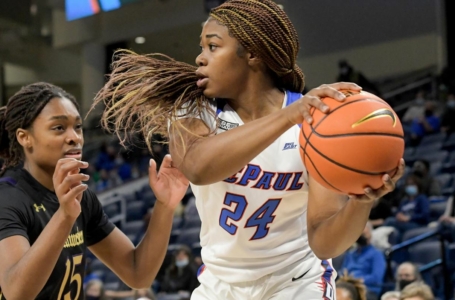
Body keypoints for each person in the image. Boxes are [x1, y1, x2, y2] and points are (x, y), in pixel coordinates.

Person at [92, 1, 404, 299]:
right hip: (220, 285)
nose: (200, 58)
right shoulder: (193, 112)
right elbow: (199, 169)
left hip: (295, 281)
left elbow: (324, 244)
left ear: (252, 54)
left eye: (212, 46)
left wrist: (361, 203)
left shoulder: (313, 125)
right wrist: (287, 117)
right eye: (202, 47)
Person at [0, 82, 189, 299]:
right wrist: (64, 216)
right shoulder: (7, 198)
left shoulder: (82, 196)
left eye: (77, 127)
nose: (75, 137)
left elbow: (138, 273)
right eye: (59, 127)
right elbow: (17, 293)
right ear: (24, 137)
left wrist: (164, 206)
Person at [340, 222, 386, 300]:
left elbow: (376, 278)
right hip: (348, 286)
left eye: (364, 234)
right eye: (359, 235)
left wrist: (356, 281)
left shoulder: (376, 254)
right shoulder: (350, 254)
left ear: (370, 235)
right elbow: (342, 272)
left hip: (367, 289)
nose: (362, 238)